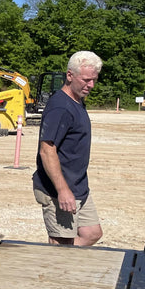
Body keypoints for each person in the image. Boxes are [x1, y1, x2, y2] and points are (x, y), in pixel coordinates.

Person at [32, 51, 104, 246]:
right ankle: (54, 270)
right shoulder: (60, 107)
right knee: (61, 244)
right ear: (70, 76)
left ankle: (64, 258)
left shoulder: (77, 101)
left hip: (78, 185)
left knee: (92, 233)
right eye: (86, 80)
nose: (91, 85)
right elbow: (47, 150)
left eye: (94, 80)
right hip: (57, 189)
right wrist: (62, 190)